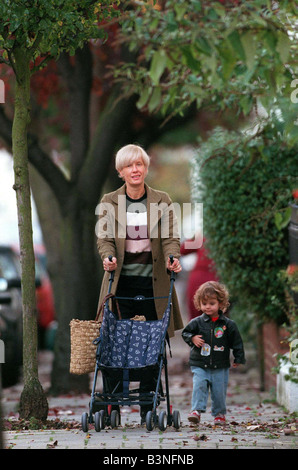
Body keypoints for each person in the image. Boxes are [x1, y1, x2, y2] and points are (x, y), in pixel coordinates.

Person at [96, 143, 183, 422]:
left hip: (152, 286)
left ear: (145, 168)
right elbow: (105, 238)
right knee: (113, 341)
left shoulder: (162, 199)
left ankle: (148, 404)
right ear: (120, 171)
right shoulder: (110, 201)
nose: (135, 170)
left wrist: (172, 257)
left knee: (152, 343)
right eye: (129, 166)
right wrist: (108, 257)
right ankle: (113, 403)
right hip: (120, 284)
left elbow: (171, 236)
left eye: (139, 164)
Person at [182, 281, 245, 426]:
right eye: (204, 303)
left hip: (220, 365)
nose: (208, 307)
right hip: (200, 363)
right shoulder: (196, 322)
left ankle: (219, 414)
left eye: (212, 303)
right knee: (199, 385)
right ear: (199, 304)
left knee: (218, 391)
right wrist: (192, 338)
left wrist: (238, 358)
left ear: (221, 304)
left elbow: (236, 343)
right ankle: (196, 411)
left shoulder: (228, 325)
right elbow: (185, 332)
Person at [180, 238, 218, 320]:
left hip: (197, 278)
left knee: (195, 314)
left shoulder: (202, 239)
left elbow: (182, 249)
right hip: (214, 278)